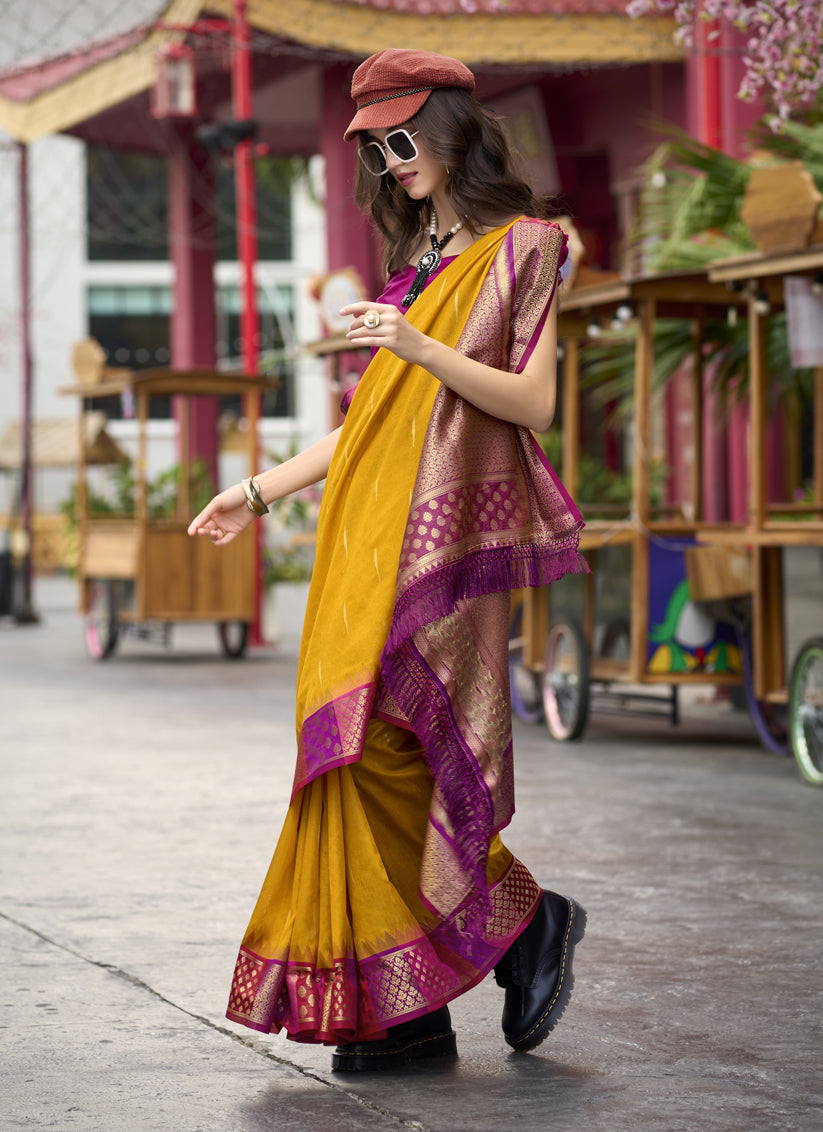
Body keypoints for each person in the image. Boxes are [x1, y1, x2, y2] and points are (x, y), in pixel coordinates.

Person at [188, 48, 587, 1072]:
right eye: (374, 144)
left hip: (446, 537)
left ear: (451, 125)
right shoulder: (414, 265)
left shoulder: (529, 247)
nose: (390, 157)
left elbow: (533, 405)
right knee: (351, 751)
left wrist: (417, 344)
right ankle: (405, 1007)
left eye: (402, 135)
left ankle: (517, 926)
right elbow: (370, 422)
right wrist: (256, 490)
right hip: (362, 537)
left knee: (404, 744)